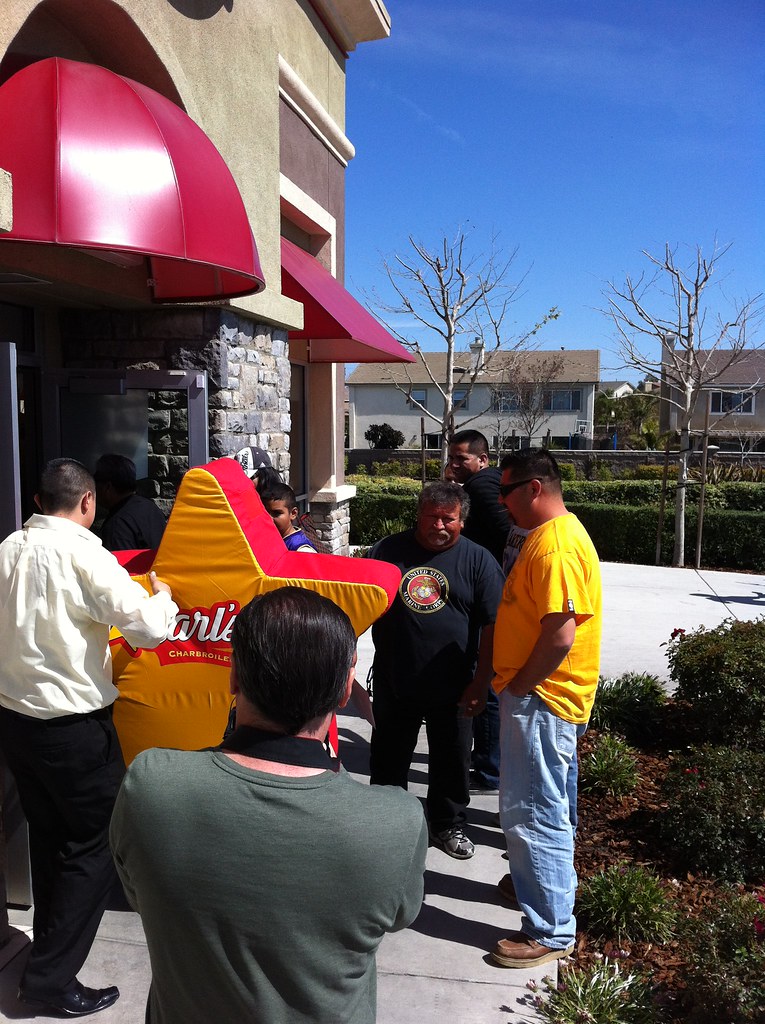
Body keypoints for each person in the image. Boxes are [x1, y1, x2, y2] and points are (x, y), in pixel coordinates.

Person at [110, 587, 427, 1024]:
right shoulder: (395, 821)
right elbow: (398, 915)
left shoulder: (151, 784)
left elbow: (138, 894)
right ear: (344, 689)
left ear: (234, 676)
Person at [0, 458, 177, 1017]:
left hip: (17, 725)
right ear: (88, 503)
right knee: (95, 847)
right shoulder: (85, 553)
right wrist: (164, 596)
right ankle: (51, 980)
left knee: (53, 841)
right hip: (75, 730)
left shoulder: (6, 549)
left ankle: (47, 955)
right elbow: (148, 628)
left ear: (36, 499)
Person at [490, 448, 601, 969]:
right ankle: (537, 883)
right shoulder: (553, 537)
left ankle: (550, 929)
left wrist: (519, 688)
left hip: (542, 700)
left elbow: (558, 635)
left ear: (534, 488)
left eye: (506, 490)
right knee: (546, 806)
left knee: (534, 812)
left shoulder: (554, 547)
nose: (502, 502)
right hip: (546, 699)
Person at [367, 482, 505, 859]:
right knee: (389, 758)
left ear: (462, 520)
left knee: (453, 759)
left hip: (456, 685)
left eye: (449, 519)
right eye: (432, 517)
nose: (439, 526)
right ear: (419, 515)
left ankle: (447, 825)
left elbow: (494, 624)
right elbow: (359, 605)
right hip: (396, 679)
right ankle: (388, 824)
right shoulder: (387, 550)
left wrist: (482, 681)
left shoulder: (478, 560)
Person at [447, 429, 511, 795]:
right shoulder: (483, 482)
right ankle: (486, 763)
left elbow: (510, 534)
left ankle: (488, 771)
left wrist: (495, 575)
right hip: (491, 592)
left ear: (482, 460)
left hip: (489, 596)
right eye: (452, 457)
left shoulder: (483, 486)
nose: (454, 464)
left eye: (462, 459)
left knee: (484, 684)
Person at [93, 453, 167, 552]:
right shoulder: (150, 507)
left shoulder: (116, 524)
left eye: (96, 482)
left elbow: (120, 564)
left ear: (107, 487)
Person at [261, 481, 318, 552]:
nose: (269, 518)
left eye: (277, 513)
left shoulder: (301, 550)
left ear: (293, 513)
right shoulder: (271, 540)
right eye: (265, 513)